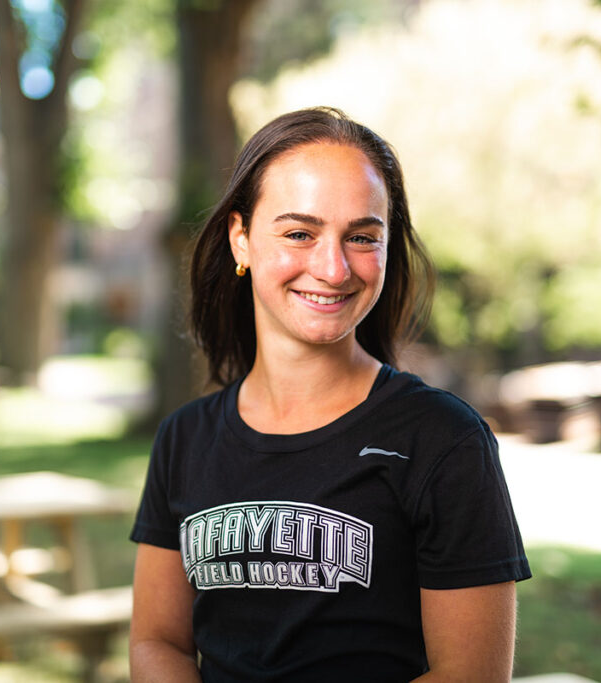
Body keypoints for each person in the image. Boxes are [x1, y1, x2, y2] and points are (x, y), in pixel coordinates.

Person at [129, 106, 531, 682]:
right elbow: (157, 642)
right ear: (241, 239)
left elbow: (470, 676)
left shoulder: (445, 440)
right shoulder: (184, 437)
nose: (334, 267)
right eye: (299, 233)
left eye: (362, 237)